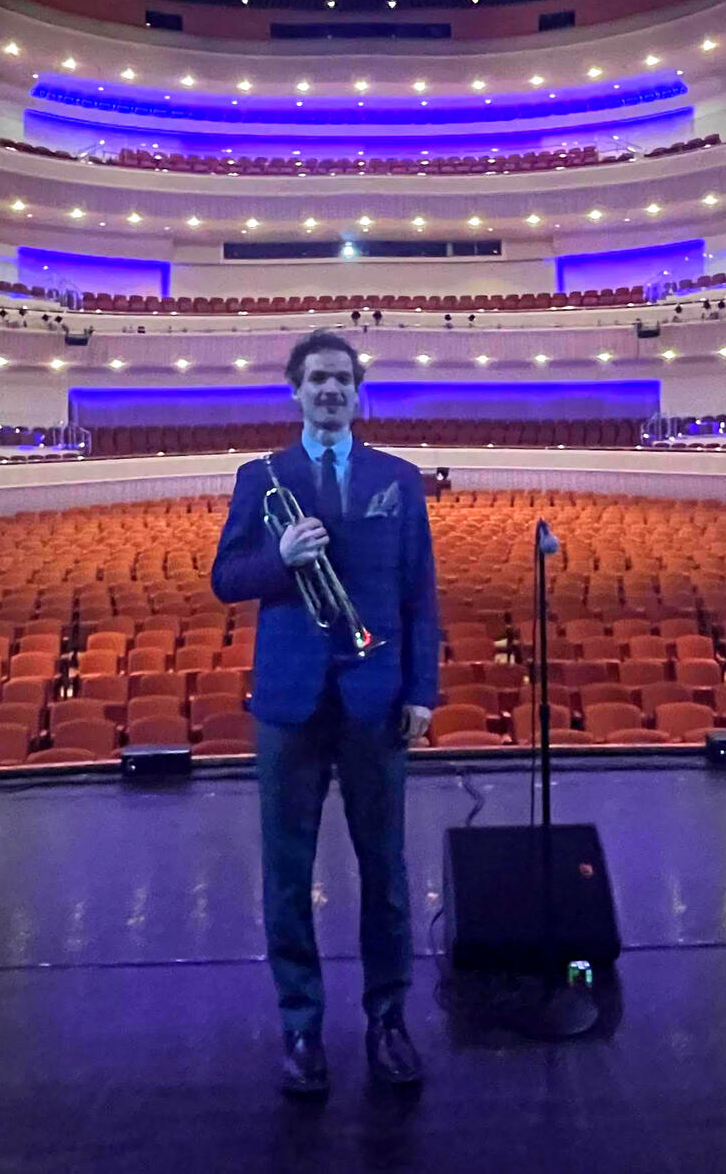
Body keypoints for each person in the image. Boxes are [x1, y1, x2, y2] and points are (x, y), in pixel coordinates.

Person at [211, 330, 439, 1096]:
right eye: (316, 379)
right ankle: (301, 1027)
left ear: (357, 390)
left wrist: (421, 690)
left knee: (386, 872)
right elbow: (225, 578)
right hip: (289, 699)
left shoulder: (396, 479)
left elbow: (419, 595)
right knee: (286, 874)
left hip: (375, 695)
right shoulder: (260, 477)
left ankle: (388, 1020)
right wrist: (281, 559)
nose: (330, 390)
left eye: (342, 378)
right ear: (295, 390)